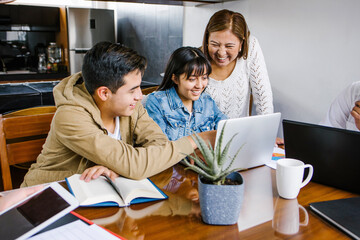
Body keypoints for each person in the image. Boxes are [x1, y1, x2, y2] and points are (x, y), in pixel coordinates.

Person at [21, 42, 215, 187]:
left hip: (96, 192)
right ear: (104, 93)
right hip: (47, 195)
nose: (140, 96)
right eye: (132, 90)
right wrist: (195, 141)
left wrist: (119, 165)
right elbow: (136, 165)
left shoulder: (131, 105)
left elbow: (160, 145)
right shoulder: (70, 117)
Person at [202, 9, 274, 119]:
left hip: (240, 134)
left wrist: (267, 132)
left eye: (229, 46)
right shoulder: (195, 60)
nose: (221, 53)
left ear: (241, 43)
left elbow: (264, 102)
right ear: (207, 39)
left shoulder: (251, 47)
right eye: (215, 44)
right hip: (203, 135)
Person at [145, 47, 227, 141]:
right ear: (175, 78)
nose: (199, 86)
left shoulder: (207, 101)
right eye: (192, 79)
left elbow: (227, 128)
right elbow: (160, 147)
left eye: (204, 78)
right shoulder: (156, 102)